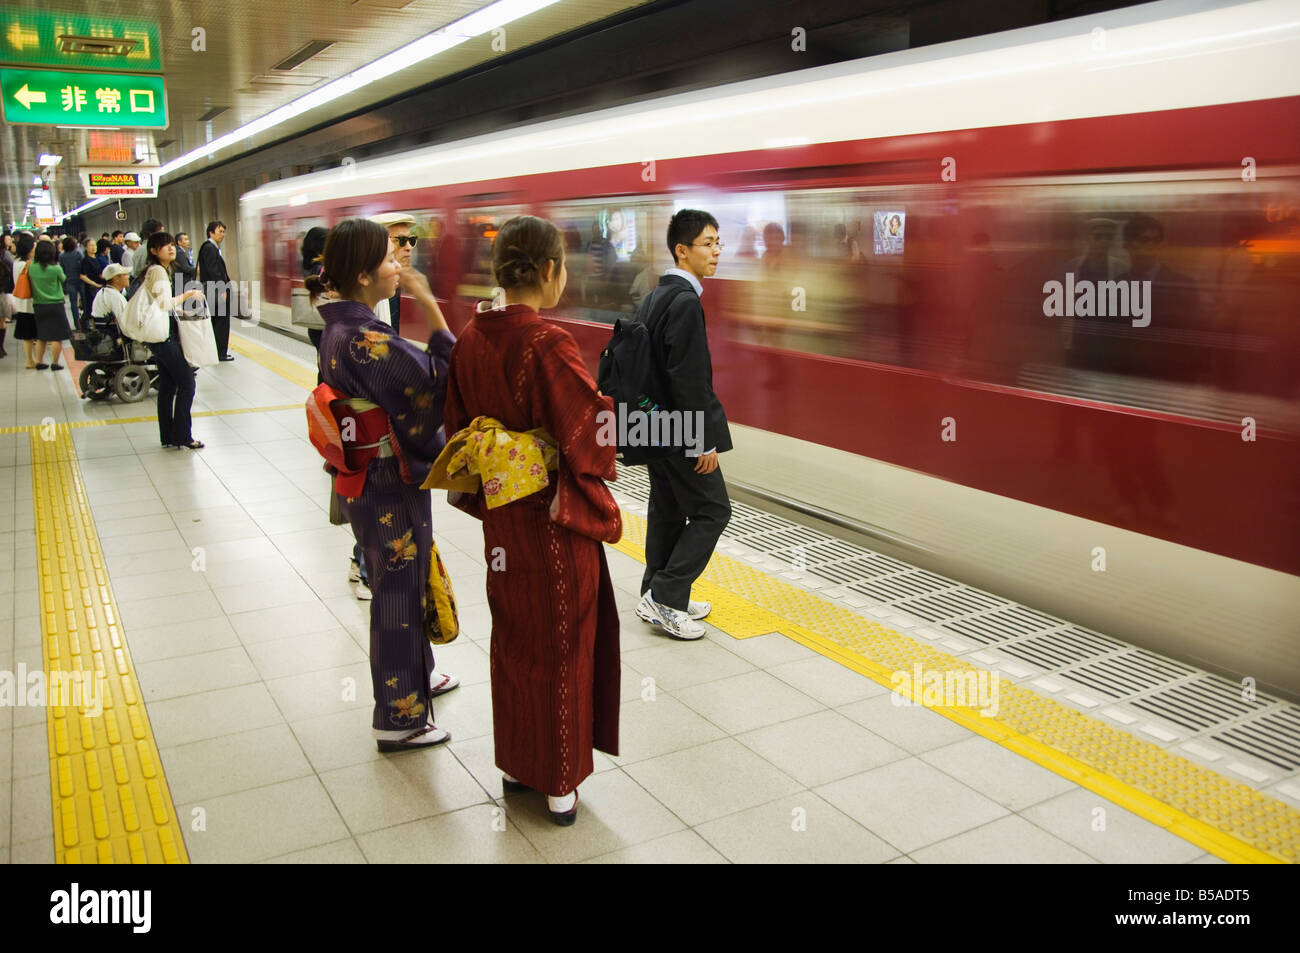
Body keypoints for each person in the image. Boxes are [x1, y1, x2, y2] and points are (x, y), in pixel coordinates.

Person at [435, 214, 622, 825]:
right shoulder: (546, 342)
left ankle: (517, 763)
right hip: (552, 524)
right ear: (547, 271)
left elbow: (458, 429)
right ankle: (558, 783)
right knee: (562, 643)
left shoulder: (471, 337)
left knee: (513, 640)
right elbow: (587, 434)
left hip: (503, 526)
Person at [308, 217, 461, 751]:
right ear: (365, 274)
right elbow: (436, 379)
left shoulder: (338, 329)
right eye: (391, 259)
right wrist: (433, 307)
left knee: (404, 581)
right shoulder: (365, 338)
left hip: (366, 479)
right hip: (387, 483)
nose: (399, 267)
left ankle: (418, 680)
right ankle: (398, 719)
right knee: (397, 593)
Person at [634, 209, 732, 640]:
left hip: (652, 423)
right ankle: (666, 595)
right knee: (713, 510)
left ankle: (654, 590)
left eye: (717, 243)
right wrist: (703, 442)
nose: (716, 251)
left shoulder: (656, 295)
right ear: (682, 250)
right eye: (708, 243)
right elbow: (688, 379)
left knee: (668, 511)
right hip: (678, 429)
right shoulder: (686, 302)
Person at [300, 225, 374, 603]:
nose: (404, 256)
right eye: (393, 252)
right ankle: (364, 569)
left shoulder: (336, 325)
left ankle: (360, 561)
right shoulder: (358, 331)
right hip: (372, 447)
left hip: (352, 440)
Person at [138, 232, 207, 450]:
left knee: (168, 386)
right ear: (153, 250)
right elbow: (164, 303)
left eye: (170, 244)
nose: (170, 248)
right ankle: (182, 436)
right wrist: (188, 296)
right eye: (164, 245)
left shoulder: (156, 270)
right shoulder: (158, 271)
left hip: (157, 337)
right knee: (187, 383)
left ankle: (167, 435)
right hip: (163, 337)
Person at [28, 239, 74, 371]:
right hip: (55, 305)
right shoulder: (55, 268)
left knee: (41, 335)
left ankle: (40, 362)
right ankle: (55, 363)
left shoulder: (31, 266)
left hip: (39, 305)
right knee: (57, 337)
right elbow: (63, 279)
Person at [369, 212, 417, 336]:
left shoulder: (392, 282)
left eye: (411, 240)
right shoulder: (367, 291)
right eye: (401, 240)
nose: (409, 247)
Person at [198, 220, 235, 361]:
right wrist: (222, 289)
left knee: (218, 321)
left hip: (215, 289)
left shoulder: (210, 248)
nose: (223, 235)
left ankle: (217, 351)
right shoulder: (209, 248)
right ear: (211, 232)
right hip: (216, 290)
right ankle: (220, 353)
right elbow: (214, 270)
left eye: (224, 231)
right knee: (221, 322)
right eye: (220, 231)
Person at [10, 233, 37, 367]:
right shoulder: (29, 265)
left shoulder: (16, 263)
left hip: (21, 303)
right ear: (29, 250)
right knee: (35, 335)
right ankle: (35, 359)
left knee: (27, 336)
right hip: (32, 303)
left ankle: (29, 360)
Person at [90, 263, 132, 328]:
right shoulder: (115, 297)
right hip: (113, 334)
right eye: (125, 274)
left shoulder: (102, 292)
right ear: (116, 279)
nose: (128, 276)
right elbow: (126, 323)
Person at [78, 238, 108, 321]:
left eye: (94, 245)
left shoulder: (97, 258)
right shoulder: (86, 260)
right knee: (92, 309)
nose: (93, 247)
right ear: (86, 248)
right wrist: (95, 284)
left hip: (100, 286)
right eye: (91, 246)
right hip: (91, 288)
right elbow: (82, 276)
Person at [58, 237, 84, 330]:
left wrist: (64, 285)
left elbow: (62, 270)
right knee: (84, 302)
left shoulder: (62, 256)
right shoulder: (78, 253)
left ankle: (77, 324)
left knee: (73, 304)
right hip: (80, 281)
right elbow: (83, 266)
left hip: (69, 281)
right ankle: (85, 322)